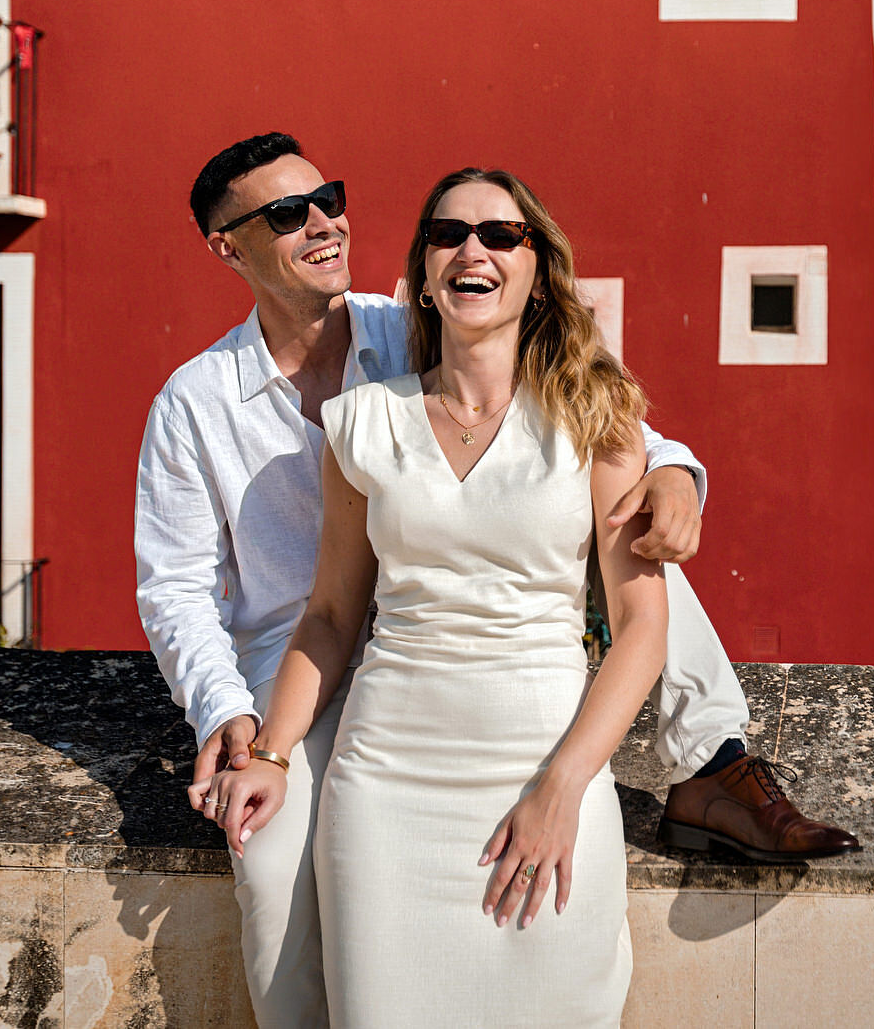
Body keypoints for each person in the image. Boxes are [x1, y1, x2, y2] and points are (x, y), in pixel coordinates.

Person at [135, 135, 857, 1027]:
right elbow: (180, 590)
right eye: (288, 214)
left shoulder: (413, 319)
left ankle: (713, 759)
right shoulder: (196, 402)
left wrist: (675, 472)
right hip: (319, 678)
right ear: (228, 246)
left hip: (490, 661)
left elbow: (583, 413)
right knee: (271, 859)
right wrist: (231, 720)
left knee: (629, 532)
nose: (323, 223)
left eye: (330, 199)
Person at [216, 166, 670, 1022]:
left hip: (547, 772)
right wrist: (271, 756)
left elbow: (643, 625)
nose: (473, 250)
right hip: (387, 795)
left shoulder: (598, 417)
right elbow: (330, 616)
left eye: (501, 235)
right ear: (423, 275)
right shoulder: (361, 423)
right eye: (448, 234)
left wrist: (562, 788)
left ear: (539, 273)